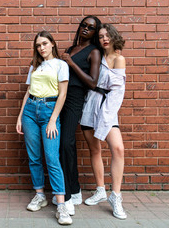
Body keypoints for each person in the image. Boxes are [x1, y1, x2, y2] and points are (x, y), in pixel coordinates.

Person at [16, 30, 72, 225]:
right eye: (38, 45)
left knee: (52, 157)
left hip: (49, 111)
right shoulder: (35, 66)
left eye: (45, 44)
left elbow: (63, 94)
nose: (41, 48)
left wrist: (52, 120)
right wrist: (20, 116)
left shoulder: (61, 65)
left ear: (52, 44)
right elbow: (27, 92)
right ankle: (40, 195)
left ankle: (61, 205)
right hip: (30, 111)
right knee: (34, 157)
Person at [52, 16, 102, 216]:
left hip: (74, 100)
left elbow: (92, 82)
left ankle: (73, 191)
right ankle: (68, 191)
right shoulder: (70, 49)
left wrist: (71, 63)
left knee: (66, 143)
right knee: (58, 143)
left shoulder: (94, 52)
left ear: (94, 33)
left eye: (91, 28)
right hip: (59, 98)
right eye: (84, 25)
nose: (86, 29)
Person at [80, 23, 127, 220]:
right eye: (100, 36)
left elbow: (117, 93)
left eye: (107, 35)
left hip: (106, 109)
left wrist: (106, 119)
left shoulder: (118, 58)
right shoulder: (97, 56)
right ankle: (100, 190)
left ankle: (115, 196)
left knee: (117, 149)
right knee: (95, 149)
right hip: (90, 106)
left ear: (114, 37)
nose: (104, 39)